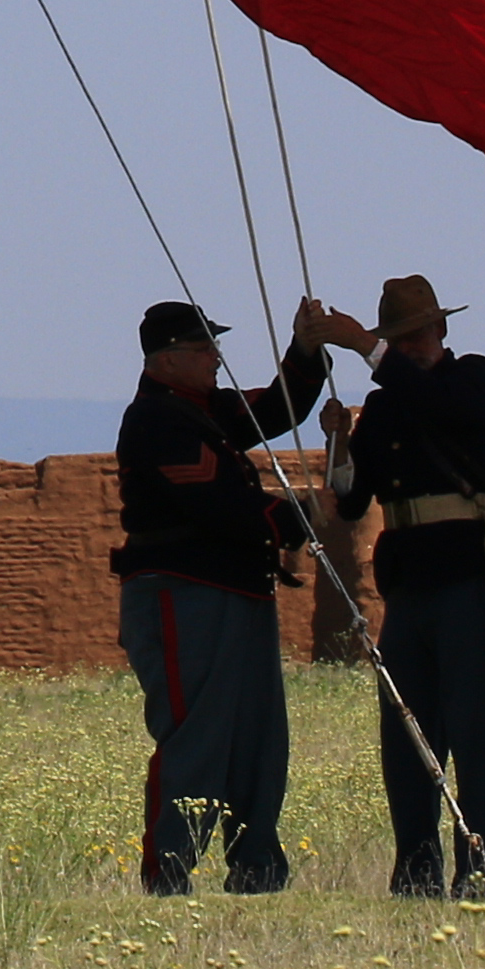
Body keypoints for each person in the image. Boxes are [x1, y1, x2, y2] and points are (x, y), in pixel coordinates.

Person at [313, 273, 485, 900]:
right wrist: (341, 446)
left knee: (474, 734)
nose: (411, 347)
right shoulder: (387, 407)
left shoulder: (472, 377)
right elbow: (353, 503)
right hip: (408, 587)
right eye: (401, 340)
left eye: (418, 334)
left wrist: (366, 347)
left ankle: (482, 868)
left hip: (466, 581)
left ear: (442, 330)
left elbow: (447, 409)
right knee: (408, 737)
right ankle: (417, 867)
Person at [116, 295, 324, 894]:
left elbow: (275, 408)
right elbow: (218, 503)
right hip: (183, 592)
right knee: (197, 734)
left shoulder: (201, 409)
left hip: (237, 589)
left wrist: (305, 350)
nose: (216, 358)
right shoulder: (156, 419)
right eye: (205, 347)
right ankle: (169, 875)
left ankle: (256, 866)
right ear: (168, 358)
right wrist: (295, 518)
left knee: (259, 737)